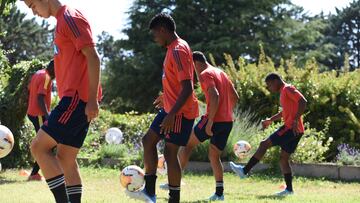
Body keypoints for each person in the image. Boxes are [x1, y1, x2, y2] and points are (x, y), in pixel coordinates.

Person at [21, 0, 102, 202]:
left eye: (32, 6)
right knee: (65, 158)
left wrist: (92, 99)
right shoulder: (61, 22)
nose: (34, 12)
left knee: (38, 147)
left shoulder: (69, 17)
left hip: (76, 99)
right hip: (76, 98)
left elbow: (93, 56)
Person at [126, 13, 199, 203]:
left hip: (179, 112)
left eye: (155, 34)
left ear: (162, 30)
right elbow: (177, 83)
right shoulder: (172, 49)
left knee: (169, 153)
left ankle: (173, 199)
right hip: (170, 107)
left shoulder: (178, 50)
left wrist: (172, 114)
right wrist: (166, 96)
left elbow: (188, 86)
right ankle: (149, 193)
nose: (155, 38)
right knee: (148, 141)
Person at [230, 73, 307, 196]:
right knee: (283, 159)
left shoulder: (288, 89)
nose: (269, 88)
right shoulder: (283, 92)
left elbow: (303, 101)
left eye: (270, 85)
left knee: (264, 144)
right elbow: (285, 111)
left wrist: (295, 119)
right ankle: (289, 190)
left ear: (276, 81)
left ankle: (244, 171)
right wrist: (270, 119)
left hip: (290, 128)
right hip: (297, 130)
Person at [176, 51, 238, 201]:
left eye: (190, 66)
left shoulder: (205, 74)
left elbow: (214, 95)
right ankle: (219, 193)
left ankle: (174, 181)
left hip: (213, 120)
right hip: (227, 121)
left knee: (186, 144)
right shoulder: (221, 73)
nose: (191, 71)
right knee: (214, 156)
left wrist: (210, 121)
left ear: (195, 63)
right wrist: (227, 112)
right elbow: (235, 96)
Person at [26, 60, 55, 181]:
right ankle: (34, 174)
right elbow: (40, 97)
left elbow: (29, 88)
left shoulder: (39, 73)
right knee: (45, 144)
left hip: (33, 113)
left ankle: (36, 172)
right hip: (39, 115)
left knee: (44, 143)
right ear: (55, 69)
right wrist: (47, 116)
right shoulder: (47, 77)